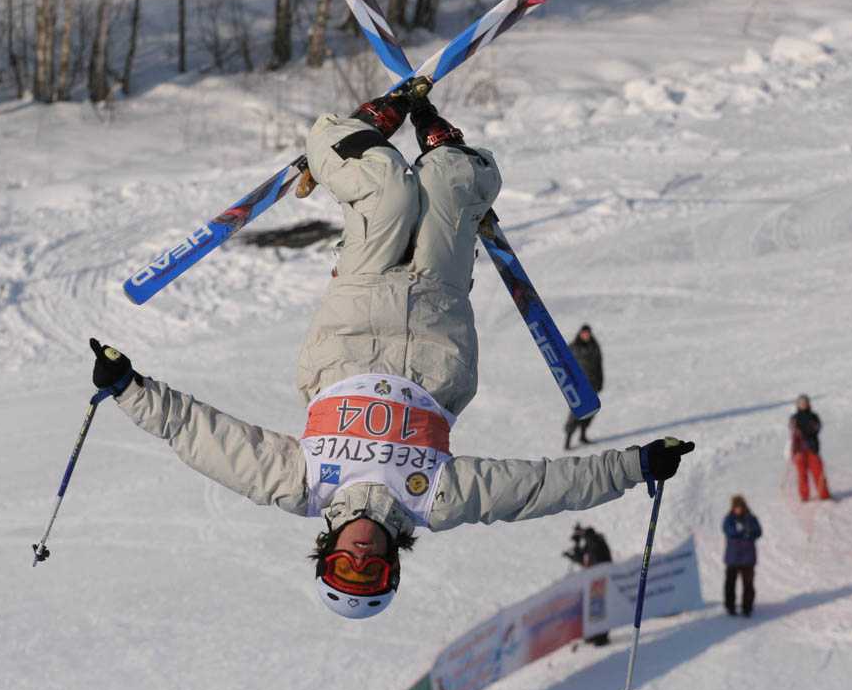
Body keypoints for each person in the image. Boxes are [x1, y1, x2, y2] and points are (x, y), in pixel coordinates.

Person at [92, 81, 696, 620]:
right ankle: (435, 134)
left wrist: (126, 388)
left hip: (354, 312)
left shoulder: (304, 485)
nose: (358, 558)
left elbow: (201, 438)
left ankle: (344, 137)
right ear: (392, 565)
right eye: (369, 572)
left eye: (343, 569)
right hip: (439, 313)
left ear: (325, 555)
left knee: (389, 193)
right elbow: (540, 489)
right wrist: (635, 467)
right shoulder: (434, 496)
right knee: (457, 181)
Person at [564, 523, 612, 645]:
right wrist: (574, 550)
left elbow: (594, 556)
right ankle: (593, 635)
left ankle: (601, 636)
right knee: (591, 610)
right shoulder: (591, 544)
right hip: (593, 582)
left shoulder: (597, 542)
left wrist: (583, 535)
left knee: (600, 608)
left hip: (601, 581)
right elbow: (584, 559)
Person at [563, 324, 603, 449]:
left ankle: (583, 435)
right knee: (576, 411)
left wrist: (600, 381)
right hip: (579, 385)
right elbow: (565, 365)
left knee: (591, 410)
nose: (586, 335)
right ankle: (568, 439)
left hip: (593, 384)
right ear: (580, 333)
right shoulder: (573, 347)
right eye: (584, 333)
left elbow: (599, 366)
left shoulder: (594, 347)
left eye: (588, 333)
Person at [722, 495, 762, 616]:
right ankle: (730, 607)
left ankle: (747, 607)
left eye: (740, 507)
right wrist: (743, 532)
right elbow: (729, 531)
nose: (738, 509)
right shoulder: (729, 519)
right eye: (736, 507)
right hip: (733, 558)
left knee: (748, 584)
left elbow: (758, 532)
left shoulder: (751, 518)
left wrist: (748, 532)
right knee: (730, 583)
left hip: (748, 558)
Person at [789, 394, 832, 502]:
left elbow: (816, 428)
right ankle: (804, 496)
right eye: (801, 403)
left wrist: (805, 432)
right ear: (798, 405)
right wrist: (796, 431)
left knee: (818, 472)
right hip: (799, 450)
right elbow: (792, 430)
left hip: (812, 448)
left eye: (805, 402)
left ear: (808, 404)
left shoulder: (814, 416)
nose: (804, 404)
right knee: (802, 474)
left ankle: (824, 494)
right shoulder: (794, 418)